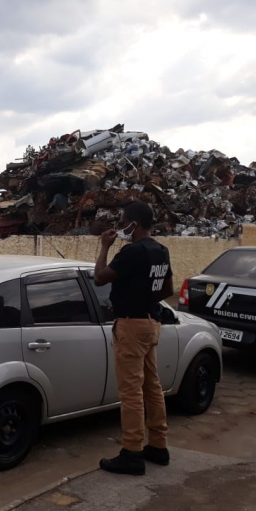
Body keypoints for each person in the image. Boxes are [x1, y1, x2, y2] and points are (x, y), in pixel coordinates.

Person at [94, 201, 174, 476]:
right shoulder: (161, 251)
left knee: (131, 393)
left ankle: (132, 452)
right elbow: (168, 289)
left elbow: (99, 278)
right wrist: (143, 299)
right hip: (152, 323)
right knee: (152, 387)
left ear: (134, 224)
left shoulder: (132, 252)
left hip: (131, 325)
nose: (120, 228)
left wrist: (104, 246)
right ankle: (159, 446)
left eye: (122, 223)